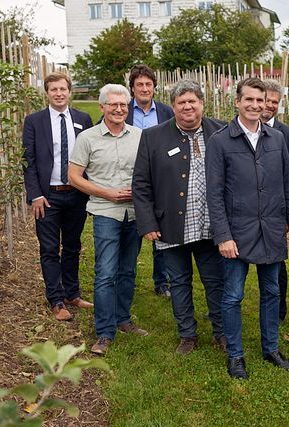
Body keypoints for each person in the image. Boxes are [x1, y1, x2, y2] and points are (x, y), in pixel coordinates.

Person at [206, 78, 289, 379]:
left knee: (271, 291)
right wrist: (223, 235)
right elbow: (214, 193)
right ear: (237, 101)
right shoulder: (221, 141)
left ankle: (270, 348)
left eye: (260, 101)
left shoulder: (277, 139)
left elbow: (288, 184)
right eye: (249, 99)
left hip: (271, 229)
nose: (255, 105)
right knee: (233, 294)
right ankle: (235, 355)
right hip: (237, 232)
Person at [132, 80, 227, 355]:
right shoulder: (153, 137)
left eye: (192, 101)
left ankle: (221, 331)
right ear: (173, 107)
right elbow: (141, 183)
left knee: (215, 282)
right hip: (171, 226)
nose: (187, 107)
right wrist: (148, 222)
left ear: (202, 104)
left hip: (211, 226)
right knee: (179, 282)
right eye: (181, 102)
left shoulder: (221, 131)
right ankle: (187, 335)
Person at [68, 84, 146, 356]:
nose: (119, 109)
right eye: (113, 104)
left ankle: (123, 319)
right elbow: (74, 177)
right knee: (106, 272)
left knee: (128, 270)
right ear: (102, 107)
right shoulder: (87, 138)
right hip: (105, 212)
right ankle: (104, 331)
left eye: (123, 105)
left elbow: (148, 172)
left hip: (134, 213)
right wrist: (107, 193)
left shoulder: (139, 136)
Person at [22, 72, 94, 322]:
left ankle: (72, 293)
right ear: (47, 93)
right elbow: (28, 161)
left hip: (76, 194)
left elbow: (92, 154)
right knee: (50, 248)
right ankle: (56, 299)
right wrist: (35, 195)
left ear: (69, 91)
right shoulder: (34, 121)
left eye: (63, 89)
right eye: (54, 89)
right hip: (47, 196)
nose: (59, 93)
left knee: (73, 245)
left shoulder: (83, 119)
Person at [126, 64, 175, 298]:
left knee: (161, 232)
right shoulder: (122, 110)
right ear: (132, 88)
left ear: (154, 87)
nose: (144, 88)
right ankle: (126, 278)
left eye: (148, 84)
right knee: (131, 232)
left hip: (161, 177)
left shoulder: (166, 112)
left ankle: (162, 281)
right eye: (139, 85)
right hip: (129, 175)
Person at [260, 79, 289, 322]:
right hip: (248, 210)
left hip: (276, 210)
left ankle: (279, 309)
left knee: (276, 263)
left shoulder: (288, 135)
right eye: (266, 100)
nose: (269, 105)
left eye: (274, 102)